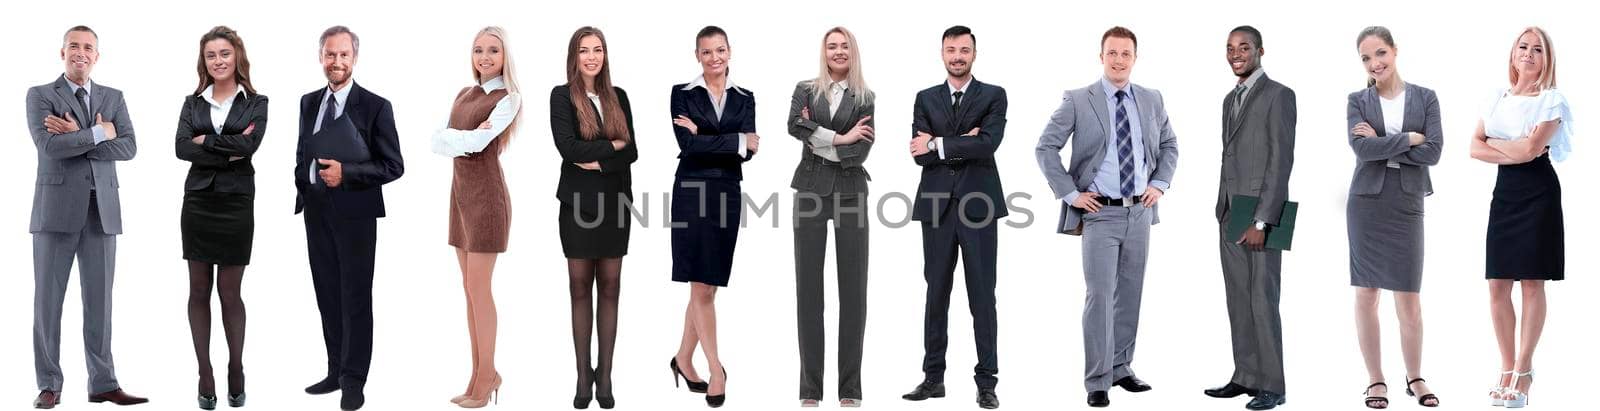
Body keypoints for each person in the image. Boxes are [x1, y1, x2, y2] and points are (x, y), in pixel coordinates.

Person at [1034, 26, 1179, 409]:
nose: (1118, 60)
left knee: (1130, 293)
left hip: (1141, 211)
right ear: (1101, 57)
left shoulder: (1151, 99)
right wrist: (1070, 194)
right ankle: (1097, 380)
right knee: (1099, 296)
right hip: (1100, 214)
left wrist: (1160, 183)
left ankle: (1121, 368)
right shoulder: (1079, 100)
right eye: (1112, 53)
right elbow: (1046, 147)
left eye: (1125, 54)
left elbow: (1169, 145)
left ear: (1135, 58)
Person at [26, 25, 147, 409]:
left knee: (101, 303)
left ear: (97, 56)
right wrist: (98, 132)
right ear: (61, 52)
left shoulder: (114, 97)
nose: (81, 52)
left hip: (101, 213)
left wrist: (81, 135)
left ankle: (103, 383)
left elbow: (128, 146)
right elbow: (49, 146)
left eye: (88, 48)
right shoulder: (40, 95)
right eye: (74, 46)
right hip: (55, 213)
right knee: (48, 302)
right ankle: (49, 383)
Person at [294, 25, 404, 411]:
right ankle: (335, 369)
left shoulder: (375, 106)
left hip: (356, 214)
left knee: (355, 297)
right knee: (327, 293)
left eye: (343, 55)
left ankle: (354, 380)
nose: (336, 61)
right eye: (329, 54)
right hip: (317, 211)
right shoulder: (309, 102)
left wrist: (348, 174)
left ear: (354, 58)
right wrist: (304, 184)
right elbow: (302, 151)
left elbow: (393, 165)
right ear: (321, 57)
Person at [900, 25, 1007, 410]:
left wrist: (940, 142)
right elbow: (919, 154)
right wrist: (960, 144)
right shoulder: (925, 98)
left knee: (983, 295)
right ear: (942, 54)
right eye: (951, 50)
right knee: (936, 294)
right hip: (936, 207)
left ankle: (987, 381)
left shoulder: (994, 95)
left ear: (974, 54)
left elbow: (989, 143)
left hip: (979, 207)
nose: (957, 56)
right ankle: (933, 378)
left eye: (964, 50)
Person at [1469, 26, 1571, 410]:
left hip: (1538, 192)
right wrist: (1515, 148)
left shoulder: (1552, 100)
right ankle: (1505, 366)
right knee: (1497, 283)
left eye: (1537, 49)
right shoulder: (1496, 97)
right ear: (1513, 54)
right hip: (1505, 193)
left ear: (1547, 59)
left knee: (1531, 282)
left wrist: (1497, 144)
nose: (1528, 53)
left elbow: (1532, 151)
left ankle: (1524, 370)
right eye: (1523, 47)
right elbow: (1473, 148)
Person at [1342, 26, 1442, 409]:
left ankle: (1414, 376)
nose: (1375, 63)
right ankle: (1376, 380)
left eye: (1380, 53)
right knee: (1367, 293)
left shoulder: (1426, 97)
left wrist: (1387, 142)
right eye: (1366, 58)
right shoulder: (1358, 100)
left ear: (1395, 51)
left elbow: (1433, 151)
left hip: (1407, 202)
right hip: (1366, 202)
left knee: (1409, 298)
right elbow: (1361, 150)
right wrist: (1410, 138)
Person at [174, 25, 269, 410]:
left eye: (224, 54)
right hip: (197, 203)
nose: (218, 61)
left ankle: (235, 367)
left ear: (237, 57)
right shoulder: (192, 103)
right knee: (198, 290)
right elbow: (181, 148)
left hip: (235, 205)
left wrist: (206, 142)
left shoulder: (257, 102)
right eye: (211, 55)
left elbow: (250, 146)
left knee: (230, 292)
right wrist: (227, 149)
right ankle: (205, 373)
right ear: (204, 61)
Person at [1203, 25, 1295, 411]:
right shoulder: (1229, 98)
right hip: (1229, 209)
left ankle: (1273, 385)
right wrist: (1224, 206)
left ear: (1260, 50)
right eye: (1229, 48)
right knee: (1238, 299)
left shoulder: (1279, 95)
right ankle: (1246, 376)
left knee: (1263, 299)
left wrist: (1262, 220)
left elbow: (1281, 160)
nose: (1235, 53)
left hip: (1261, 212)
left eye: (1243, 47)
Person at [430, 26, 522, 409]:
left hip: (487, 201)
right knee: (468, 291)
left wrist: (459, 137)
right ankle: (477, 373)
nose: (485, 57)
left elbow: (477, 142)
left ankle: (488, 376)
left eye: (493, 51)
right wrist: (459, 137)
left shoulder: (509, 97)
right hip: (460, 199)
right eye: (478, 50)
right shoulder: (464, 94)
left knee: (480, 291)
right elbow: (437, 140)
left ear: (504, 57)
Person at [786, 26, 875, 409]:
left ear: (853, 52)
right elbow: (793, 126)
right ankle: (810, 390)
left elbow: (863, 151)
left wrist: (816, 137)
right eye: (831, 46)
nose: (838, 52)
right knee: (809, 291)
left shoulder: (865, 96)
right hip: (809, 192)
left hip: (852, 192)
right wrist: (841, 138)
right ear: (823, 53)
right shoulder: (805, 89)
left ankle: (850, 389)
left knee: (853, 292)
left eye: (844, 46)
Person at [667, 25, 756, 409]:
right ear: (697, 56)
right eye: (707, 52)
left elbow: (751, 150)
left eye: (720, 50)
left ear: (729, 51)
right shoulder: (681, 94)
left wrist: (708, 138)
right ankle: (716, 367)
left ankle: (682, 358)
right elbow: (687, 146)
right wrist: (734, 141)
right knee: (701, 286)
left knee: (709, 283)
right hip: (692, 192)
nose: (715, 58)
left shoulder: (745, 97)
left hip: (727, 194)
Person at [550, 26, 636, 410]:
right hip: (578, 208)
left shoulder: (618, 96)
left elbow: (632, 151)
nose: (591, 57)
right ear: (575, 56)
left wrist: (595, 157)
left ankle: (607, 374)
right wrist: (611, 148)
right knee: (580, 288)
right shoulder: (561, 96)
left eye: (597, 49)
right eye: (584, 50)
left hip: (616, 205)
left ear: (605, 55)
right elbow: (567, 149)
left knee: (613, 289)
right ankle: (583, 375)